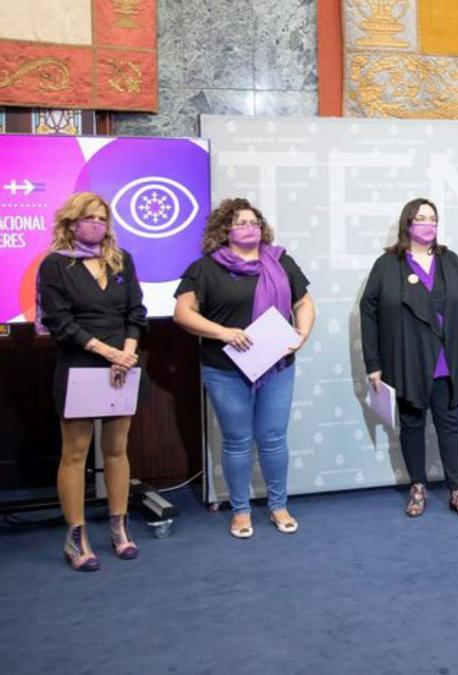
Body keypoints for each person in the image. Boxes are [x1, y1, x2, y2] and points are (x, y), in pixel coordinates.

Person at [173, 198, 316, 538]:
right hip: (225, 369)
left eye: (254, 222)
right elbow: (183, 313)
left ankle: (278, 505)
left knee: (273, 438)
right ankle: (240, 510)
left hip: (277, 365)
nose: (249, 227)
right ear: (225, 230)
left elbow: (304, 302)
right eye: (240, 223)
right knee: (237, 441)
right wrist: (224, 333)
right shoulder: (205, 268)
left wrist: (303, 333)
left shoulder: (281, 262)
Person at [37, 192, 147, 571]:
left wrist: (127, 352)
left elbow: (137, 311)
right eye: (89, 218)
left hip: (122, 366)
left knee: (117, 449)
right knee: (75, 453)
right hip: (80, 364)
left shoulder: (122, 260)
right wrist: (108, 352)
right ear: (71, 223)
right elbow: (60, 323)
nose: (97, 225)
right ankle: (76, 537)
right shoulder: (55, 265)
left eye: (102, 219)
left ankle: (119, 528)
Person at [360, 198, 458, 517]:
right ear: (408, 224)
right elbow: (368, 311)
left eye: (433, 218)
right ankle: (417, 487)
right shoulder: (387, 264)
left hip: (447, 359)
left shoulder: (450, 260)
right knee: (412, 424)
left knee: (450, 424)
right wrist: (373, 364)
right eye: (421, 218)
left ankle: (457, 490)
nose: (428, 223)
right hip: (406, 359)